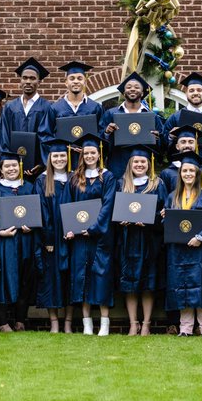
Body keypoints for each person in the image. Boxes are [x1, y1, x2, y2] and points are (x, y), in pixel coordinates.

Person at [162, 152, 202, 337]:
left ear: (198, 173)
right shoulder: (173, 196)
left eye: (191, 170)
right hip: (179, 251)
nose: (188, 174)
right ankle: (185, 329)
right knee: (182, 287)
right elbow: (169, 223)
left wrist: (200, 237)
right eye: (185, 171)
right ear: (180, 173)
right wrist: (164, 217)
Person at [64, 133, 117, 336]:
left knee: (101, 277)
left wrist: (93, 228)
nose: (89, 156)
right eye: (86, 153)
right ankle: (87, 324)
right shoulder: (75, 177)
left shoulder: (108, 176)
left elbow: (108, 205)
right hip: (79, 238)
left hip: (100, 237)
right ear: (81, 155)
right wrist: (70, 228)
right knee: (82, 278)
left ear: (99, 153)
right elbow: (68, 205)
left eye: (93, 152)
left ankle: (104, 323)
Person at [0, 151, 37, 332]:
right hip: (5, 242)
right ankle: (3, 322)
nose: (11, 169)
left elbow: (36, 211)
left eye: (14, 165)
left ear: (19, 167)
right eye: (7, 166)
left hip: (26, 240)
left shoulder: (28, 187)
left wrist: (32, 225)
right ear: (1, 169)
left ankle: (20, 320)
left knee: (25, 278)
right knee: (2, 278)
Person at [113, 146, 165, 336]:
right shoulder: (121, 184)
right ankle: (133, 323)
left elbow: (164, 212)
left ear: (149, 164)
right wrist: (120, 221)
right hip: (127, 240)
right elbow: (113, 212)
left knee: (148, 283)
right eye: (136, 162)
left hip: (149, 240)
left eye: (143, 162)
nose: (140, 164)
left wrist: (151, 222)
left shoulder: (157, 184)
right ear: (130, 164)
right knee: (130, 284)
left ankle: (146, 324)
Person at [35, 141, 71, 332]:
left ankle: (68, 322)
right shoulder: (42, 180)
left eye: (62, 156)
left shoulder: (74, 178)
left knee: (70, 279)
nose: (59, 159)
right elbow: (42, 212)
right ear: (49, 158)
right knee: (51, 279)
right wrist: (48, 238)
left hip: (71, 236)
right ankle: (54, 322)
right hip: (52, 239)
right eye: (55, 156)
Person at [100, 72, 164, 179]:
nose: (132, 89)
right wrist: (106, 133)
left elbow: (162, 145)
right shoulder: (111, 114)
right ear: (124, 92)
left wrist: (157, 138)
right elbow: (100, 143)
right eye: (128, 87)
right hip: (118, 164)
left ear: (143, 92)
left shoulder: (151, 116)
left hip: (142, 166)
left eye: (136, 87)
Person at [0, 58, 56, 156]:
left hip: (38, 165)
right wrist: (8, 160)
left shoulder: (47, 107)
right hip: (12, 165)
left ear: (39, 82)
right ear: (20, 81)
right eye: (24, 78)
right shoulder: (10, 107)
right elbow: (3, 137)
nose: (28, 81)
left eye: (32, 78)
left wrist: (41, 164)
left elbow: (49, 138)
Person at [163, 72, 202, 165]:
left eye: (199, 90)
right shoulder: (176, 117)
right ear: (186, 93)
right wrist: (170, 137)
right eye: (191, 90)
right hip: (182, 170)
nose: (195, 93)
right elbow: (162, 142)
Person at [51, 60, 103, 125]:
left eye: (80, 78)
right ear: (66, 82)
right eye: (72, 79)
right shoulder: (55, 108)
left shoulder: (95, 107)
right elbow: (47, 133)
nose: (76, 81)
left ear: (85, 82)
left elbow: (101, 131)